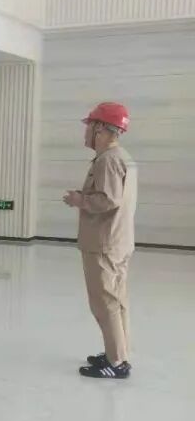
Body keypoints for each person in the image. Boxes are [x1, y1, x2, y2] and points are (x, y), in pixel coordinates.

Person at [63, 102, 137, 380]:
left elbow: (108, 199)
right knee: (117, 302)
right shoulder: (123, 157)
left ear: (101, 129)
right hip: (118, 240)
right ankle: (118, 354)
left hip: (104, 243)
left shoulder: (108, 160)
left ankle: (116, 363)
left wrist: (78, 200)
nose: (86, 132)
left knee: (105, 303)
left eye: (89, 125)